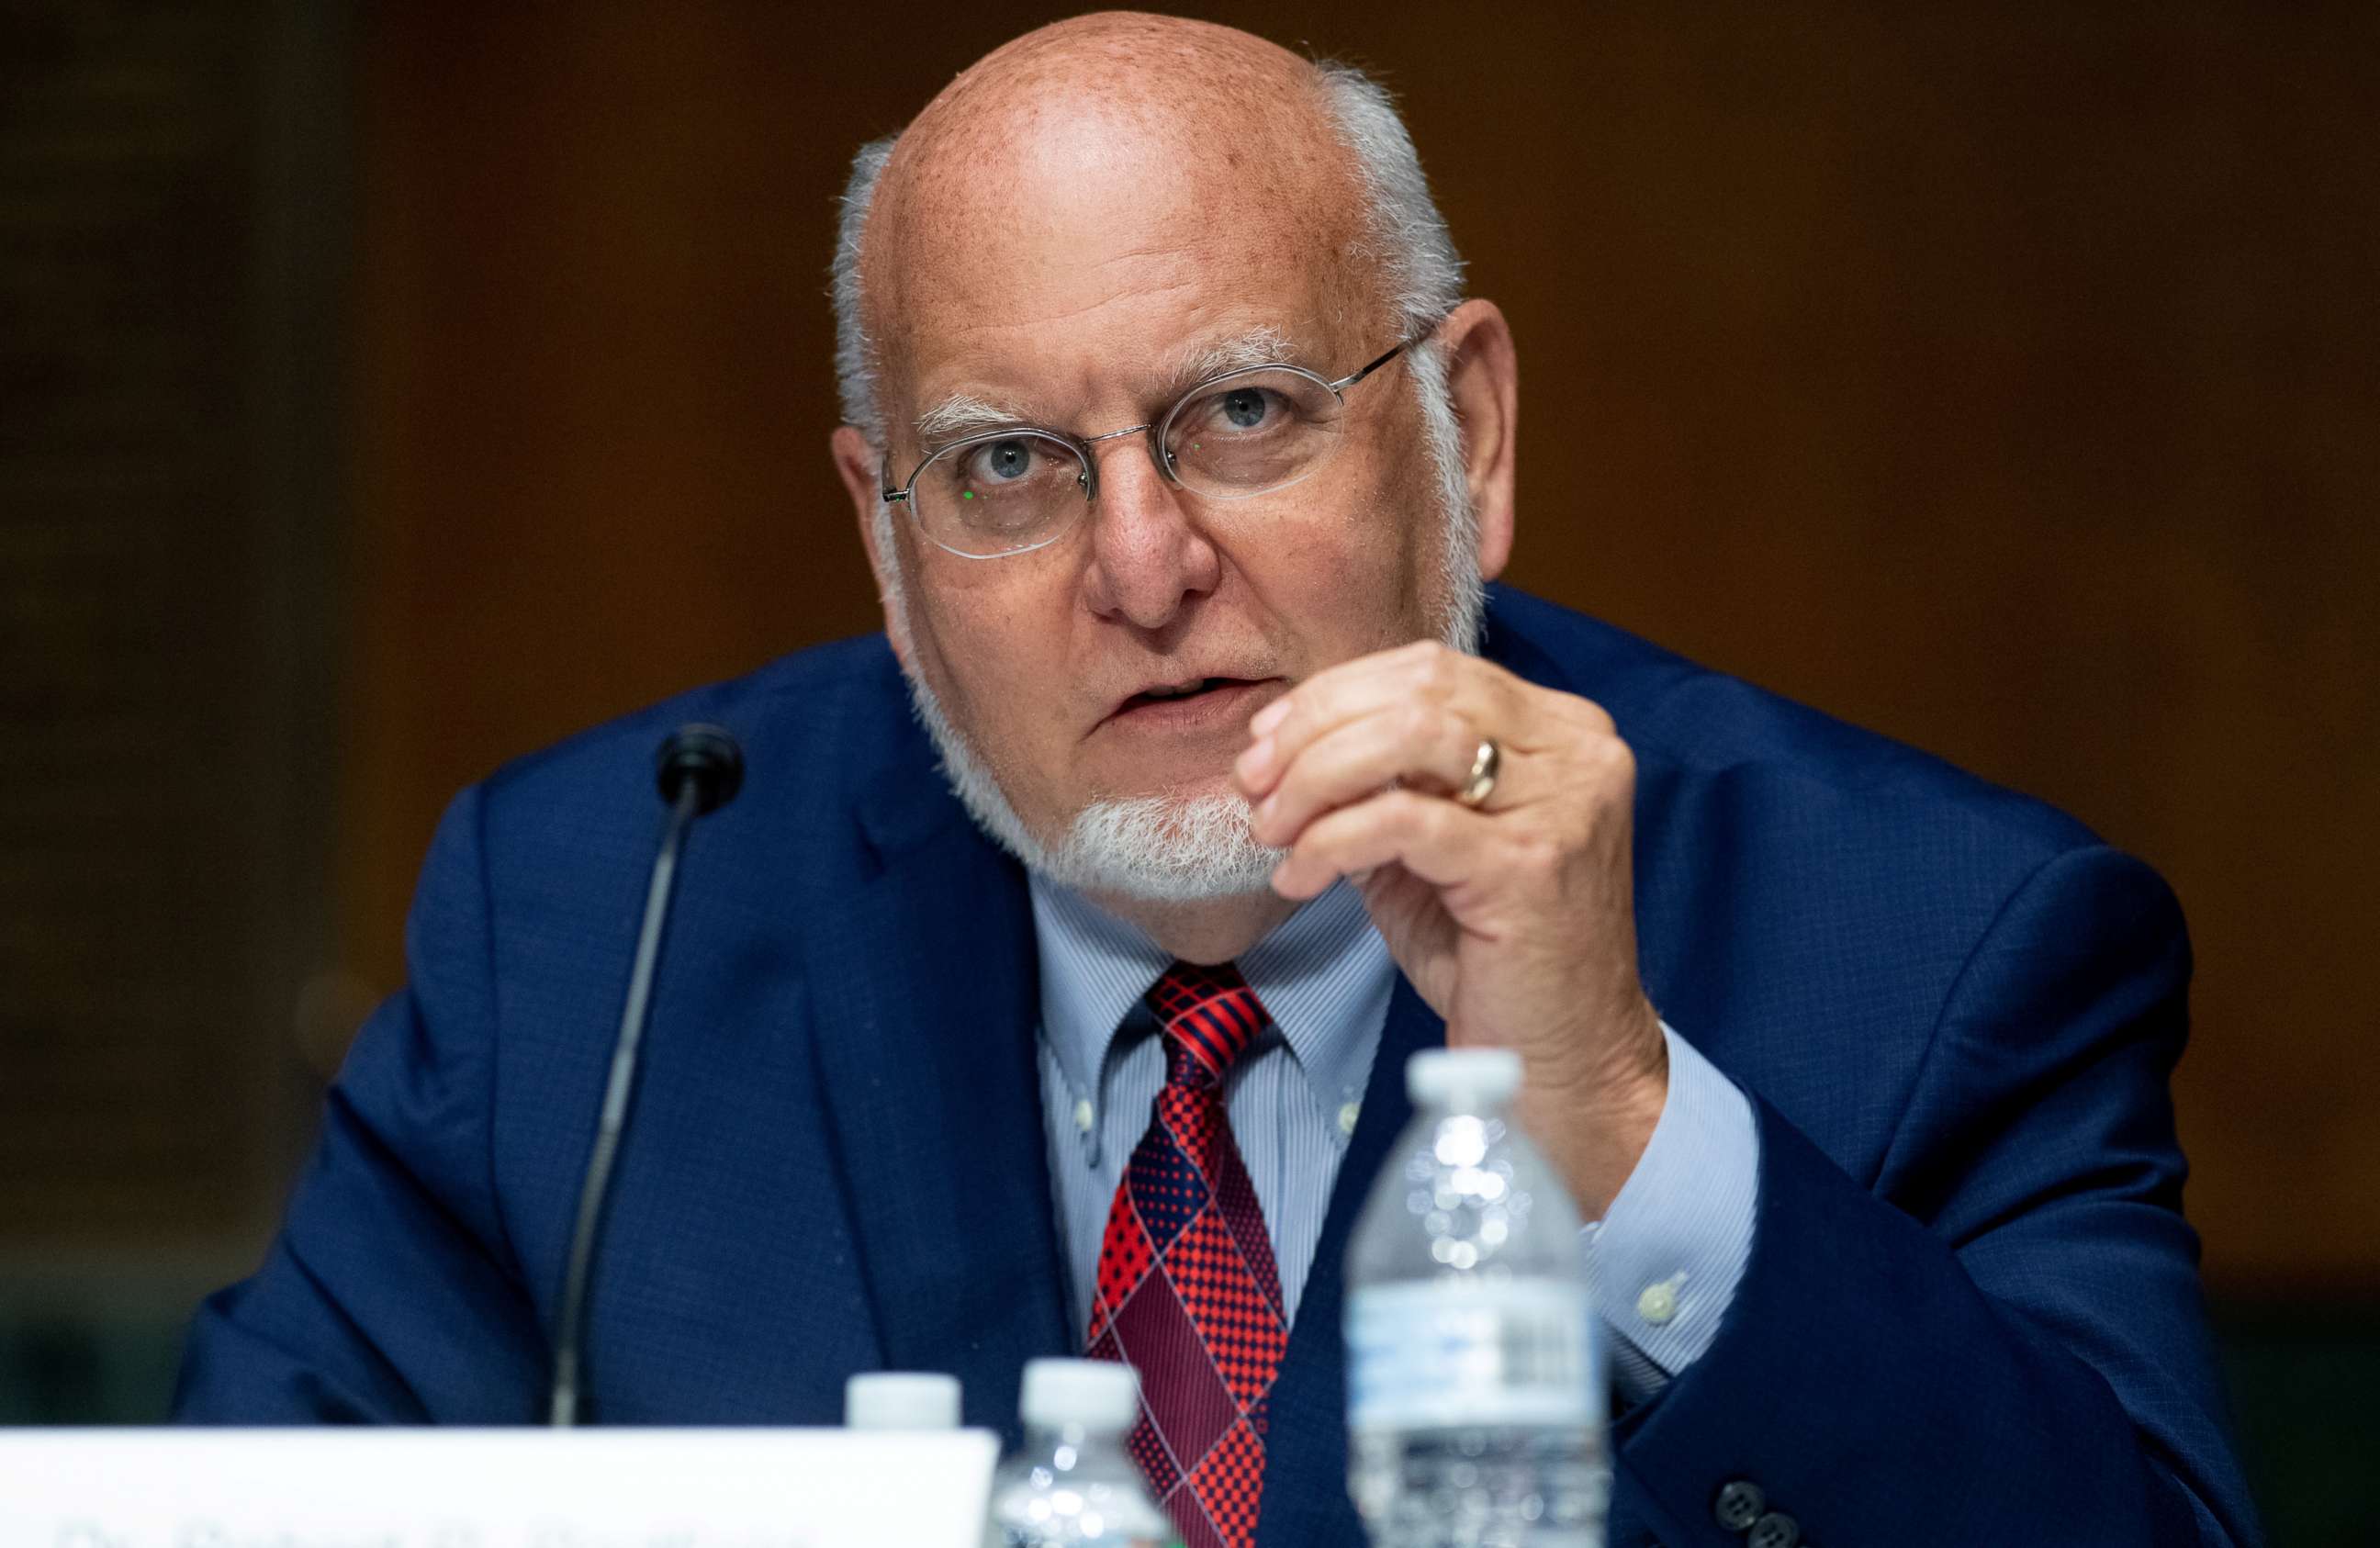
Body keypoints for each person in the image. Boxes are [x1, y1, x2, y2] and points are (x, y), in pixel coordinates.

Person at [175, 14, 2259, 1548]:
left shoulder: (1936, 950)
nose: (1145, 564)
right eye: (1007, 465)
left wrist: (1621, 1118)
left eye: (1244, 412)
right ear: (889, 547)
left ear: (1468, 432)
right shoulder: (594, 921)